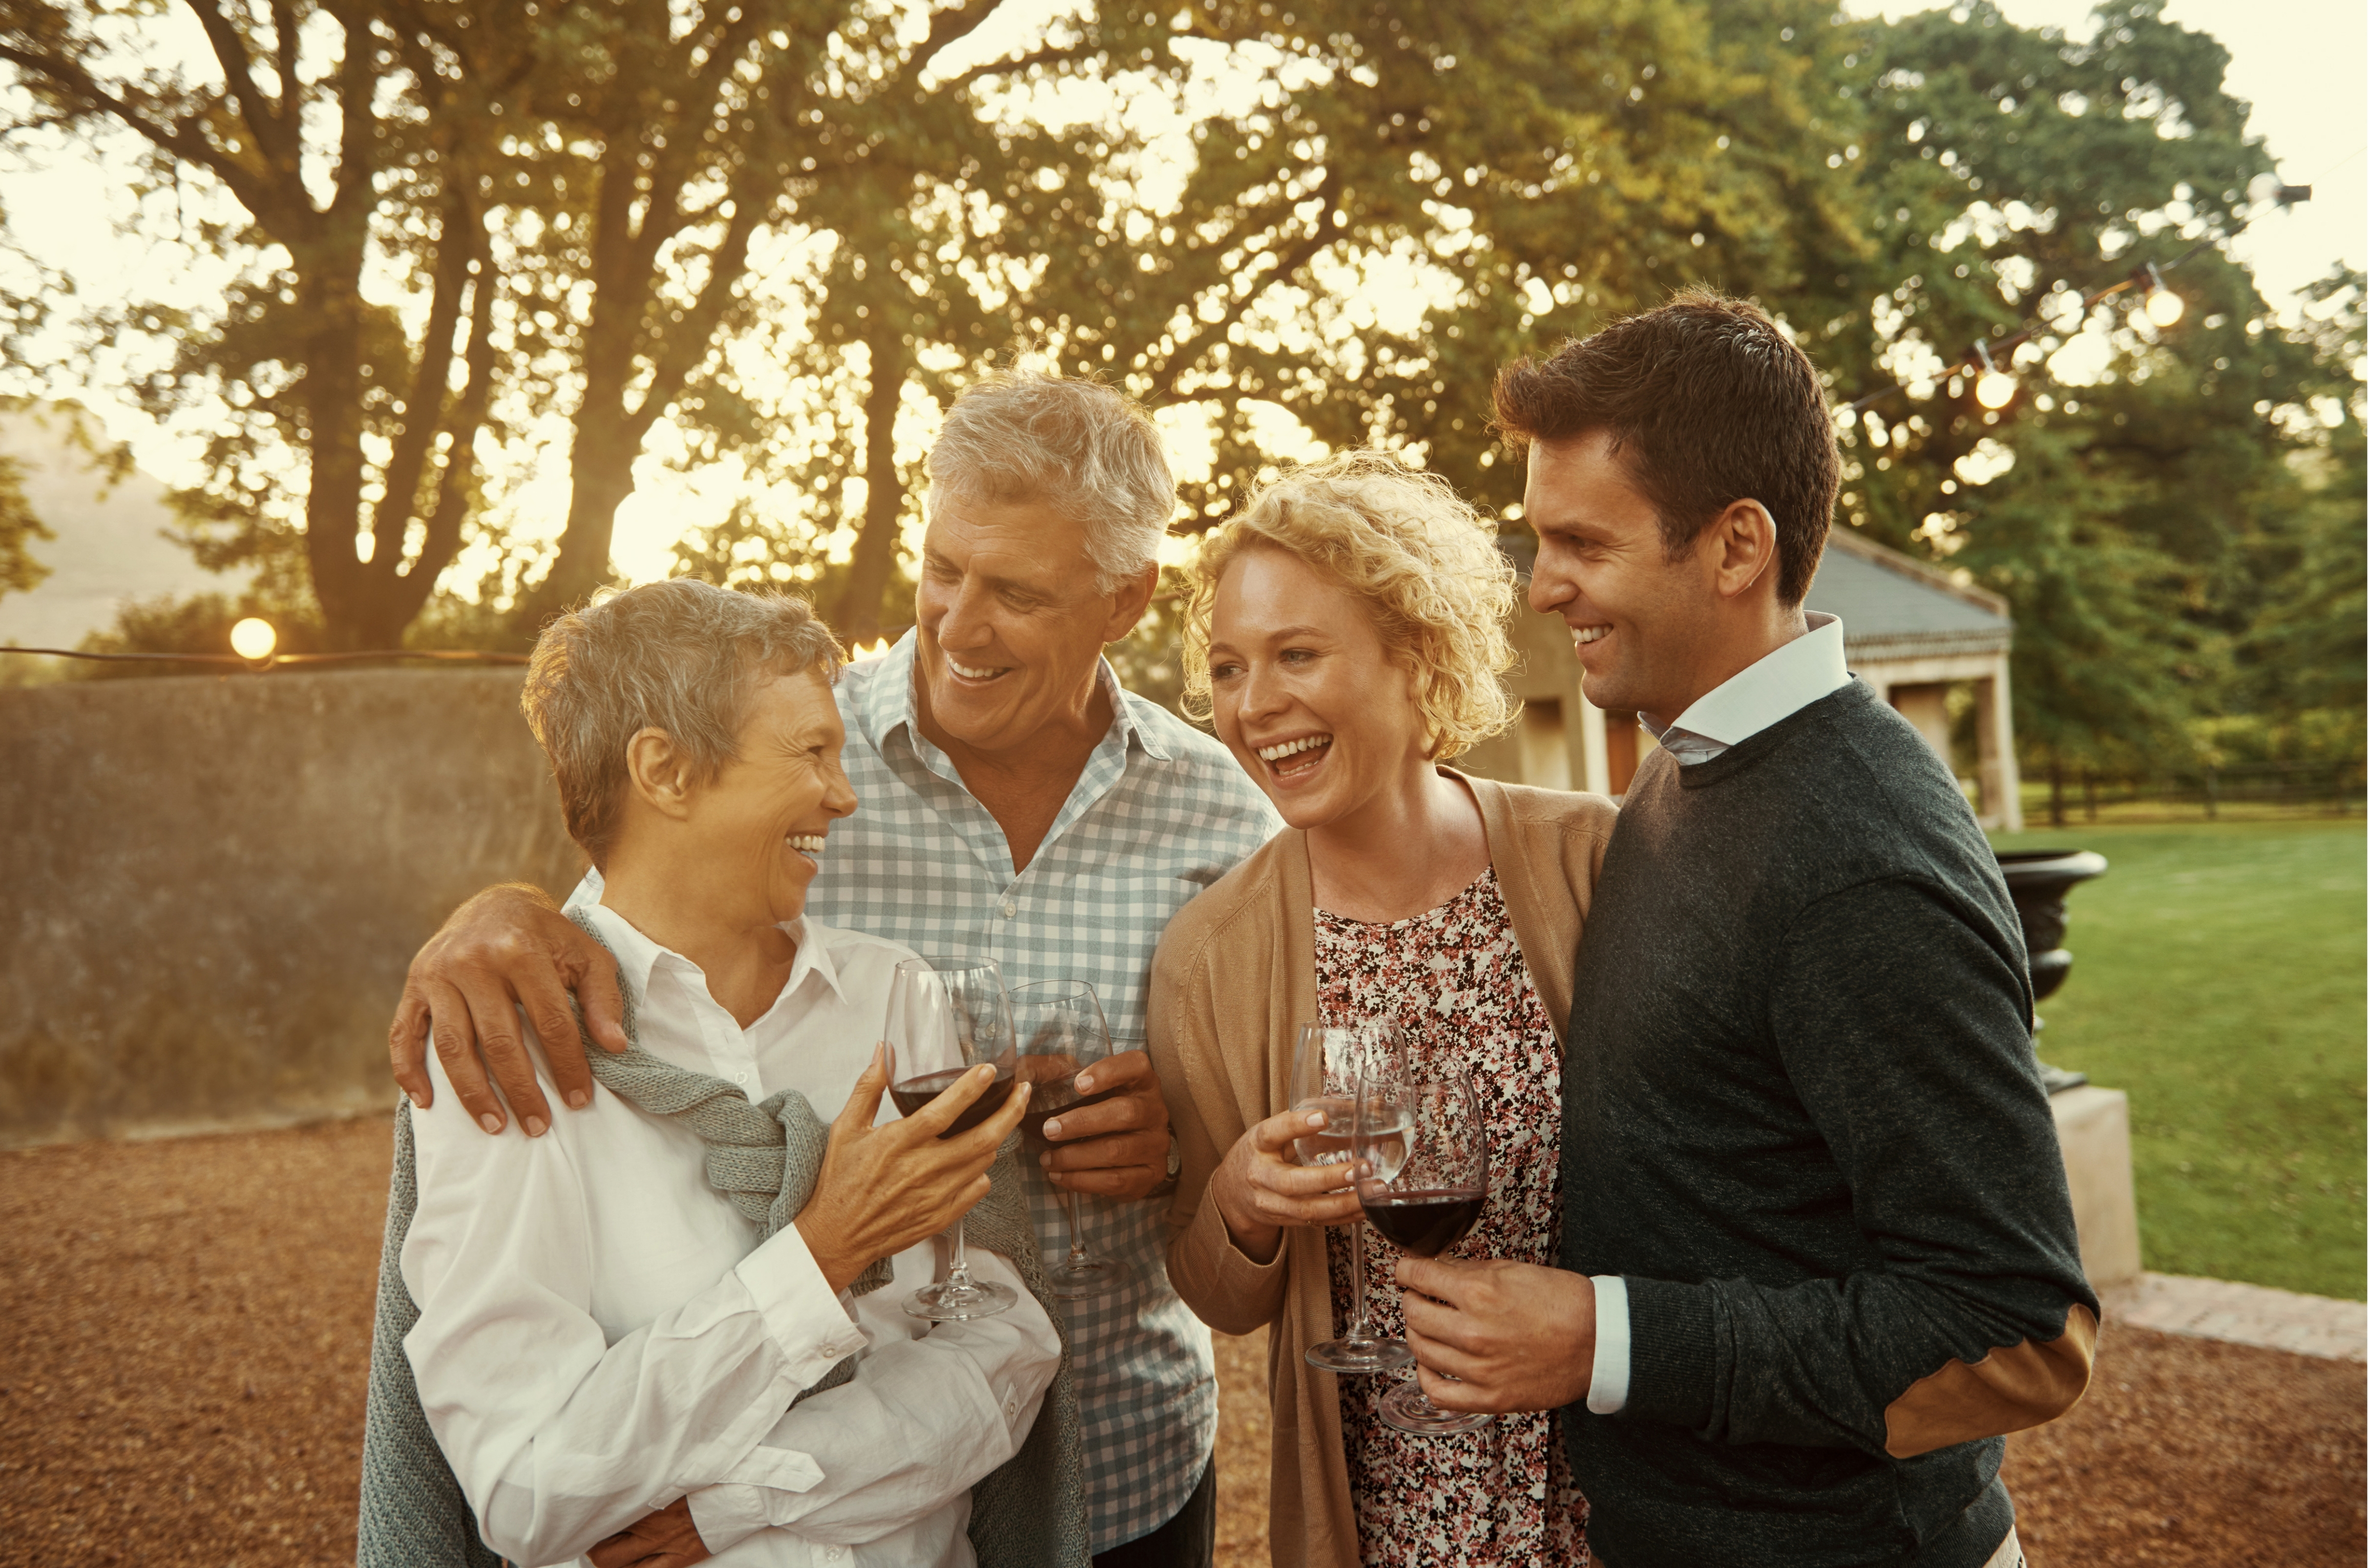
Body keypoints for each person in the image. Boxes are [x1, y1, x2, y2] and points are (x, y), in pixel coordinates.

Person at [387, 371, 1281, 1567]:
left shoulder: (1223, 813)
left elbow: (1267, 1113)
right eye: (944, 570)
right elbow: (632, 896)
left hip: (1128, 1447)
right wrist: (495, 911)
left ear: (1125, 599)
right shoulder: (785, 744)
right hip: (815, 1489)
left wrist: (1186, 1140)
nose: (960, 625)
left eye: (1015, 591)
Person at [1389, 289, 2097, 1568]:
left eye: (1582, 545)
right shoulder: (1689, 762)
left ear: (1735, 547)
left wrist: (1604, 1339)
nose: (1544, 587)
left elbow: (2016, 1332)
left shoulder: (1857, 859)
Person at [367, 579, 1068, 1567]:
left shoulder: (895, 995)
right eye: (811, 753)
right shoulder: (504, 1051)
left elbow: (1002, 1347)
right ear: (666, 770)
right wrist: (821, 1255)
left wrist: (727, 1510)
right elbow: (532, 1487)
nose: (844, 793)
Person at [1147, 452, 1618, 1568]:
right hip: (1397, 1523)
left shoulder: (1598, 858)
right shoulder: (1209, 957)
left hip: (1619, 1488)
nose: (1255, 706)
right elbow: (1212, 1288)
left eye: (1297, 654)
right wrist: (1242, 1199)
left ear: (1416, 656)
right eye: (1226, 668)